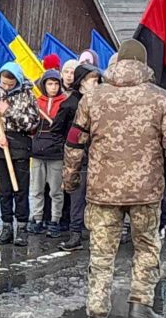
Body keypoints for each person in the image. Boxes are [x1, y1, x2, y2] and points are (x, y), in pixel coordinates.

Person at [62, 39, 166, 318]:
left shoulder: (93, 97)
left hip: (102, 190)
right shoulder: (160, 98)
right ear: (144, 64)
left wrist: (70, 180)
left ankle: (97, 307)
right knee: (146, 247)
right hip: (146, 191)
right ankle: (139, 305)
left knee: (101, 252)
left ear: (117, 63)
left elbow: (74, 142)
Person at [0, 62, 40, 247]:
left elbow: (32, 124)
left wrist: (9, 112)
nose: (6, 87)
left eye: (10, 84)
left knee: (20, 189)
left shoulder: (28, 94)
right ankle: (6, 227)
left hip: (20, 145)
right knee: (4, 191)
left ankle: (22, 228)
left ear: (17, 81)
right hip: (0, 146)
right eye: (4, 83)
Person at [52, 63, 103, 251]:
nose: (96, 84)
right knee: (77, 197)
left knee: (97, 199)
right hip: (78, 158)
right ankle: (75, 234)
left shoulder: (100, 102)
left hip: (98, 159)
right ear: (82, 82)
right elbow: (57, 130)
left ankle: (96, 233)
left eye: (98, 80)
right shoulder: (71, 103)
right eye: (92, 80)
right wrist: (68, 149)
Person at [28, 69, 68, 238]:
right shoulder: (37, 103)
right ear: (44, 85)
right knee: (36, 188)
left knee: (56, 190)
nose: (53, 87)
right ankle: (37, 218)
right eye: (49, 84)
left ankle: (55, 220)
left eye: (56, 83)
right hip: (38, 151)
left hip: (56, 153)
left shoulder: (64, 103)